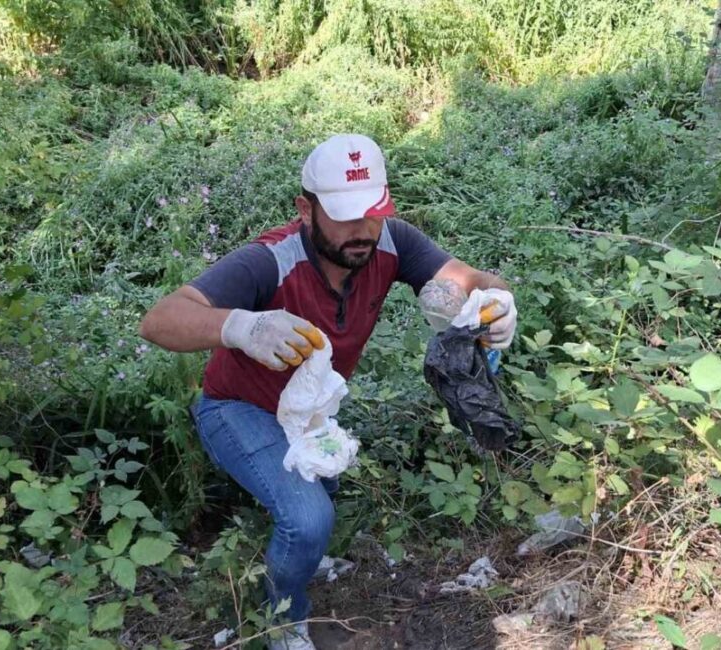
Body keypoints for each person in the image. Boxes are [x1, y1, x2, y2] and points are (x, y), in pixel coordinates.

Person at [140, 134, 517, 649]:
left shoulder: (392, 242)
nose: (362, 230)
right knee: (308, 518)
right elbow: (160, 320)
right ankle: (280, 620)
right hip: (238, 407)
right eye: (343, 216)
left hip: (310, 407)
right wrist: (243, 326)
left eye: (372, 213)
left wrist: (495, 300)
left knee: (323, 494)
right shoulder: (270, 261)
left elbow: (469, 277)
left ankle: (302, 559)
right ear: (306, 210)